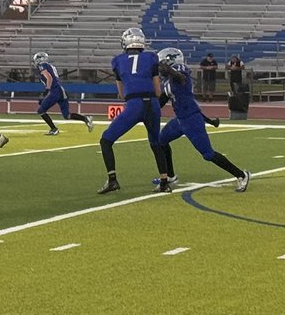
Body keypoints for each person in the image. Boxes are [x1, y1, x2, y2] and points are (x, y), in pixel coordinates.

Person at [156, 47, 250, 192]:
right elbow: (163, 99)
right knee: (161, 141)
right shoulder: (168, 81)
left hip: (191, 120)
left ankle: (242, 175)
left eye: (161, 63)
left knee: (208, 154)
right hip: (180, 119)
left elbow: (180, 77)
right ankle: (170, 176)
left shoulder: (180, 71)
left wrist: (168, 70)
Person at [97, 27, 168, 194]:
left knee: (106, 140)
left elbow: (121, 94)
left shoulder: (118, 61)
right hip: (152, 103)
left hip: (134, 104)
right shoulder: (151, 57)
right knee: (155, 143)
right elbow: (158, 91)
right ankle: (165, 182)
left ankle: (112, 180)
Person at [32, 51, 94, 134]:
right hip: (61, 90)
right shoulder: (50, 66)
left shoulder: (42, 66)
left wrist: (46, 91)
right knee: (67, 115)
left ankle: (54, 129)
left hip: (55, 91)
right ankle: (85, 119)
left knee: (41, 110)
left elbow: (49, 78)